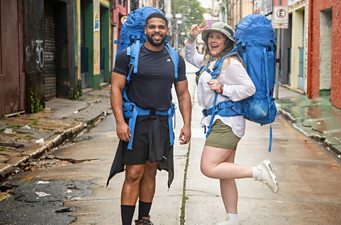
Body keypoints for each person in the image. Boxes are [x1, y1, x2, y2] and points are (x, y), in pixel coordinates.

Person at [184, 22, 279, 225]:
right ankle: (232, 218)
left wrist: (223, 88)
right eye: (210, 37)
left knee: (208, 167)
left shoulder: (231, 63)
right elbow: (190, 56)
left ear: (227, 41)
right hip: (219, 121)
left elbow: (249, 88)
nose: (213, 40)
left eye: (218, 37)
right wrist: (192, 38)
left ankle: (259, 171)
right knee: (225, 173)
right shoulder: (211, 61)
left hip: (226, 122)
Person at [109, 13, 191, 225]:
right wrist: (120, 122)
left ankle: (143, 219)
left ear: (167, 30)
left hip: (162, 122)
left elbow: (183, 94)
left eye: (161, 27)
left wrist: (187, 125)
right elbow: (115, 89)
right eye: (152, 27)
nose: (157, 31)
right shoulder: (128, 55)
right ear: (145, 30)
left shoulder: (175, 59)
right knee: (134, 173)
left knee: (151, 172)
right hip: (137, 123)